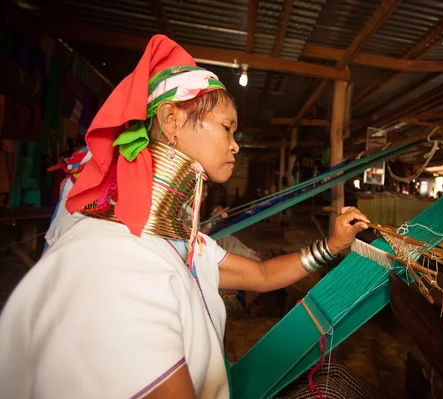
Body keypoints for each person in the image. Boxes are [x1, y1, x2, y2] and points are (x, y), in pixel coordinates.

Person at [0, 35, 370, 399]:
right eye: (227, 127)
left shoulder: (180, 246)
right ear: (172, 120)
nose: (236, 143)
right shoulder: (116, 261)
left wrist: (332, 245)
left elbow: (261, 275)